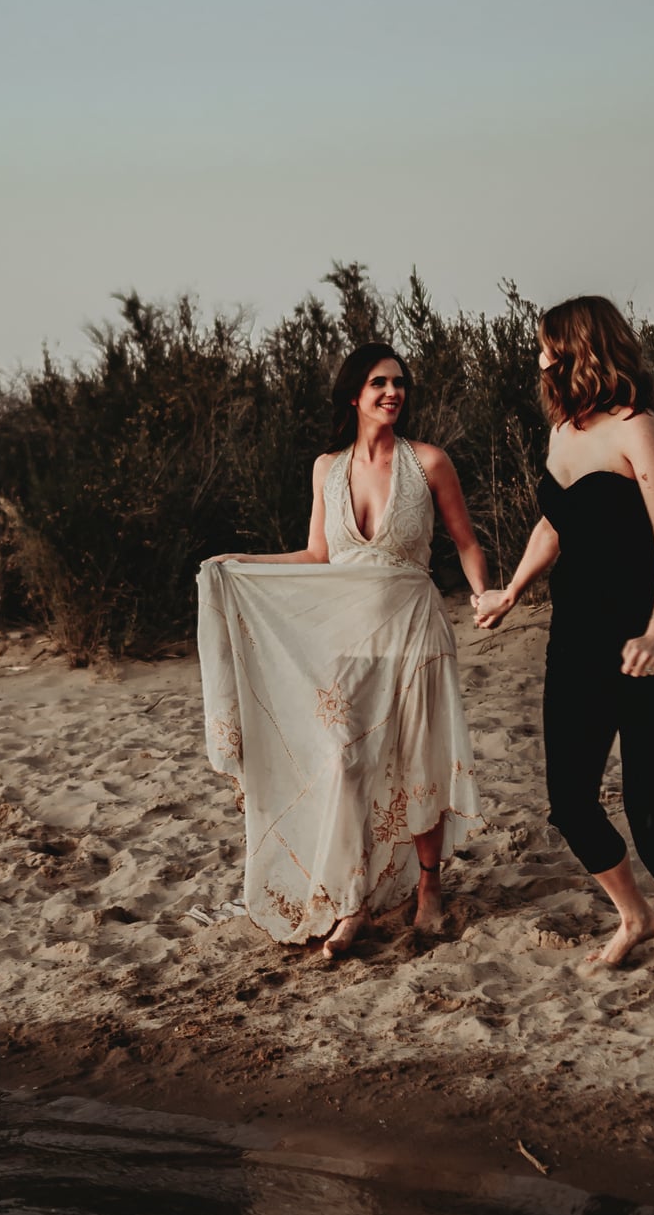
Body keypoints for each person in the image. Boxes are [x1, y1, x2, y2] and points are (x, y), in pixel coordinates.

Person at [198, 344, 489, 959]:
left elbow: (465, 541)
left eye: (400, 384)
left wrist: (485, 593)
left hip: (413, 630)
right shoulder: (326, 469)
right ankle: (353, 899)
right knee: (344, 761)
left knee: (419, 761)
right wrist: (240, 564)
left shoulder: (429, 461)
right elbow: (316, 556)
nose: (392, 393)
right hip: (345, 639)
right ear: (354, 394)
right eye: (379, 383)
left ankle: (430, 889)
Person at [472, 295, 654, 998]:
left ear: (580, 347)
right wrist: (512, 590)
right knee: (570, 801)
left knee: (648, 803)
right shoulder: (563, 431)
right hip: (574, 640)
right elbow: (555, 522)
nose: (539, 356)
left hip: (644, 638)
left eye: (548, 344)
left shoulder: (639, 429)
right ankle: (634, 917)